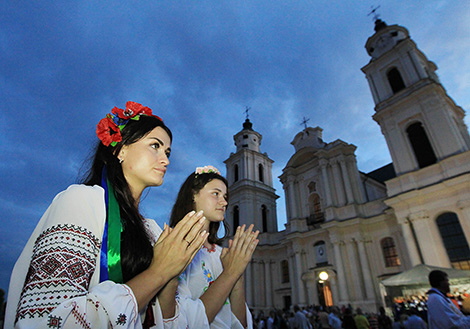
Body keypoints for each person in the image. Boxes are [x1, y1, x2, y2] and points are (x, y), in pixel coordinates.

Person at [5, 101, 208, 328]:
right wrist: (158, 272)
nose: (166, 160)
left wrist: (173, 272)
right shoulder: (81, 201)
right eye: (155, 146)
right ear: (121, 149)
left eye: (167, 152)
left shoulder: (151, 230)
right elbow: (49, 320)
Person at [169, 166, 259, 328]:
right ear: (193, 195)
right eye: (216, 194)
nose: (224, 202)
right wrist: (230, 273)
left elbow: (241, 325)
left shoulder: (222, 253)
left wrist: (237, 274)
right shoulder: (173, 247)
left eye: (225, 196)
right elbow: (186, 322)